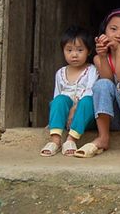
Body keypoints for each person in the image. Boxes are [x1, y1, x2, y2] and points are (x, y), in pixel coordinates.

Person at [74, 8, 120, 159]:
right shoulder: (98, 58)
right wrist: (102, 55)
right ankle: (103, 137)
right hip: (112, 118)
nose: (118, 35)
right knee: (102, 84)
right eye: (113, 29)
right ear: (104, 32)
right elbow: (107, 79)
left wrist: (118, 50)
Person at [40, 26, 98, 157]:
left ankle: (71, 139)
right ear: (63, 51)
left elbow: (90, 91)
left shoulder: (92, 70)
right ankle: (55, 140)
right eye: (69, 50)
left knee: (88, 100)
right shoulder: (60, 73)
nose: (74, 54)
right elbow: (57, 97)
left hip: (85, 117)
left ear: (89, 51)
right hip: (66, 119)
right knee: (59, 99)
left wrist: (74, 109)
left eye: (80, 50)